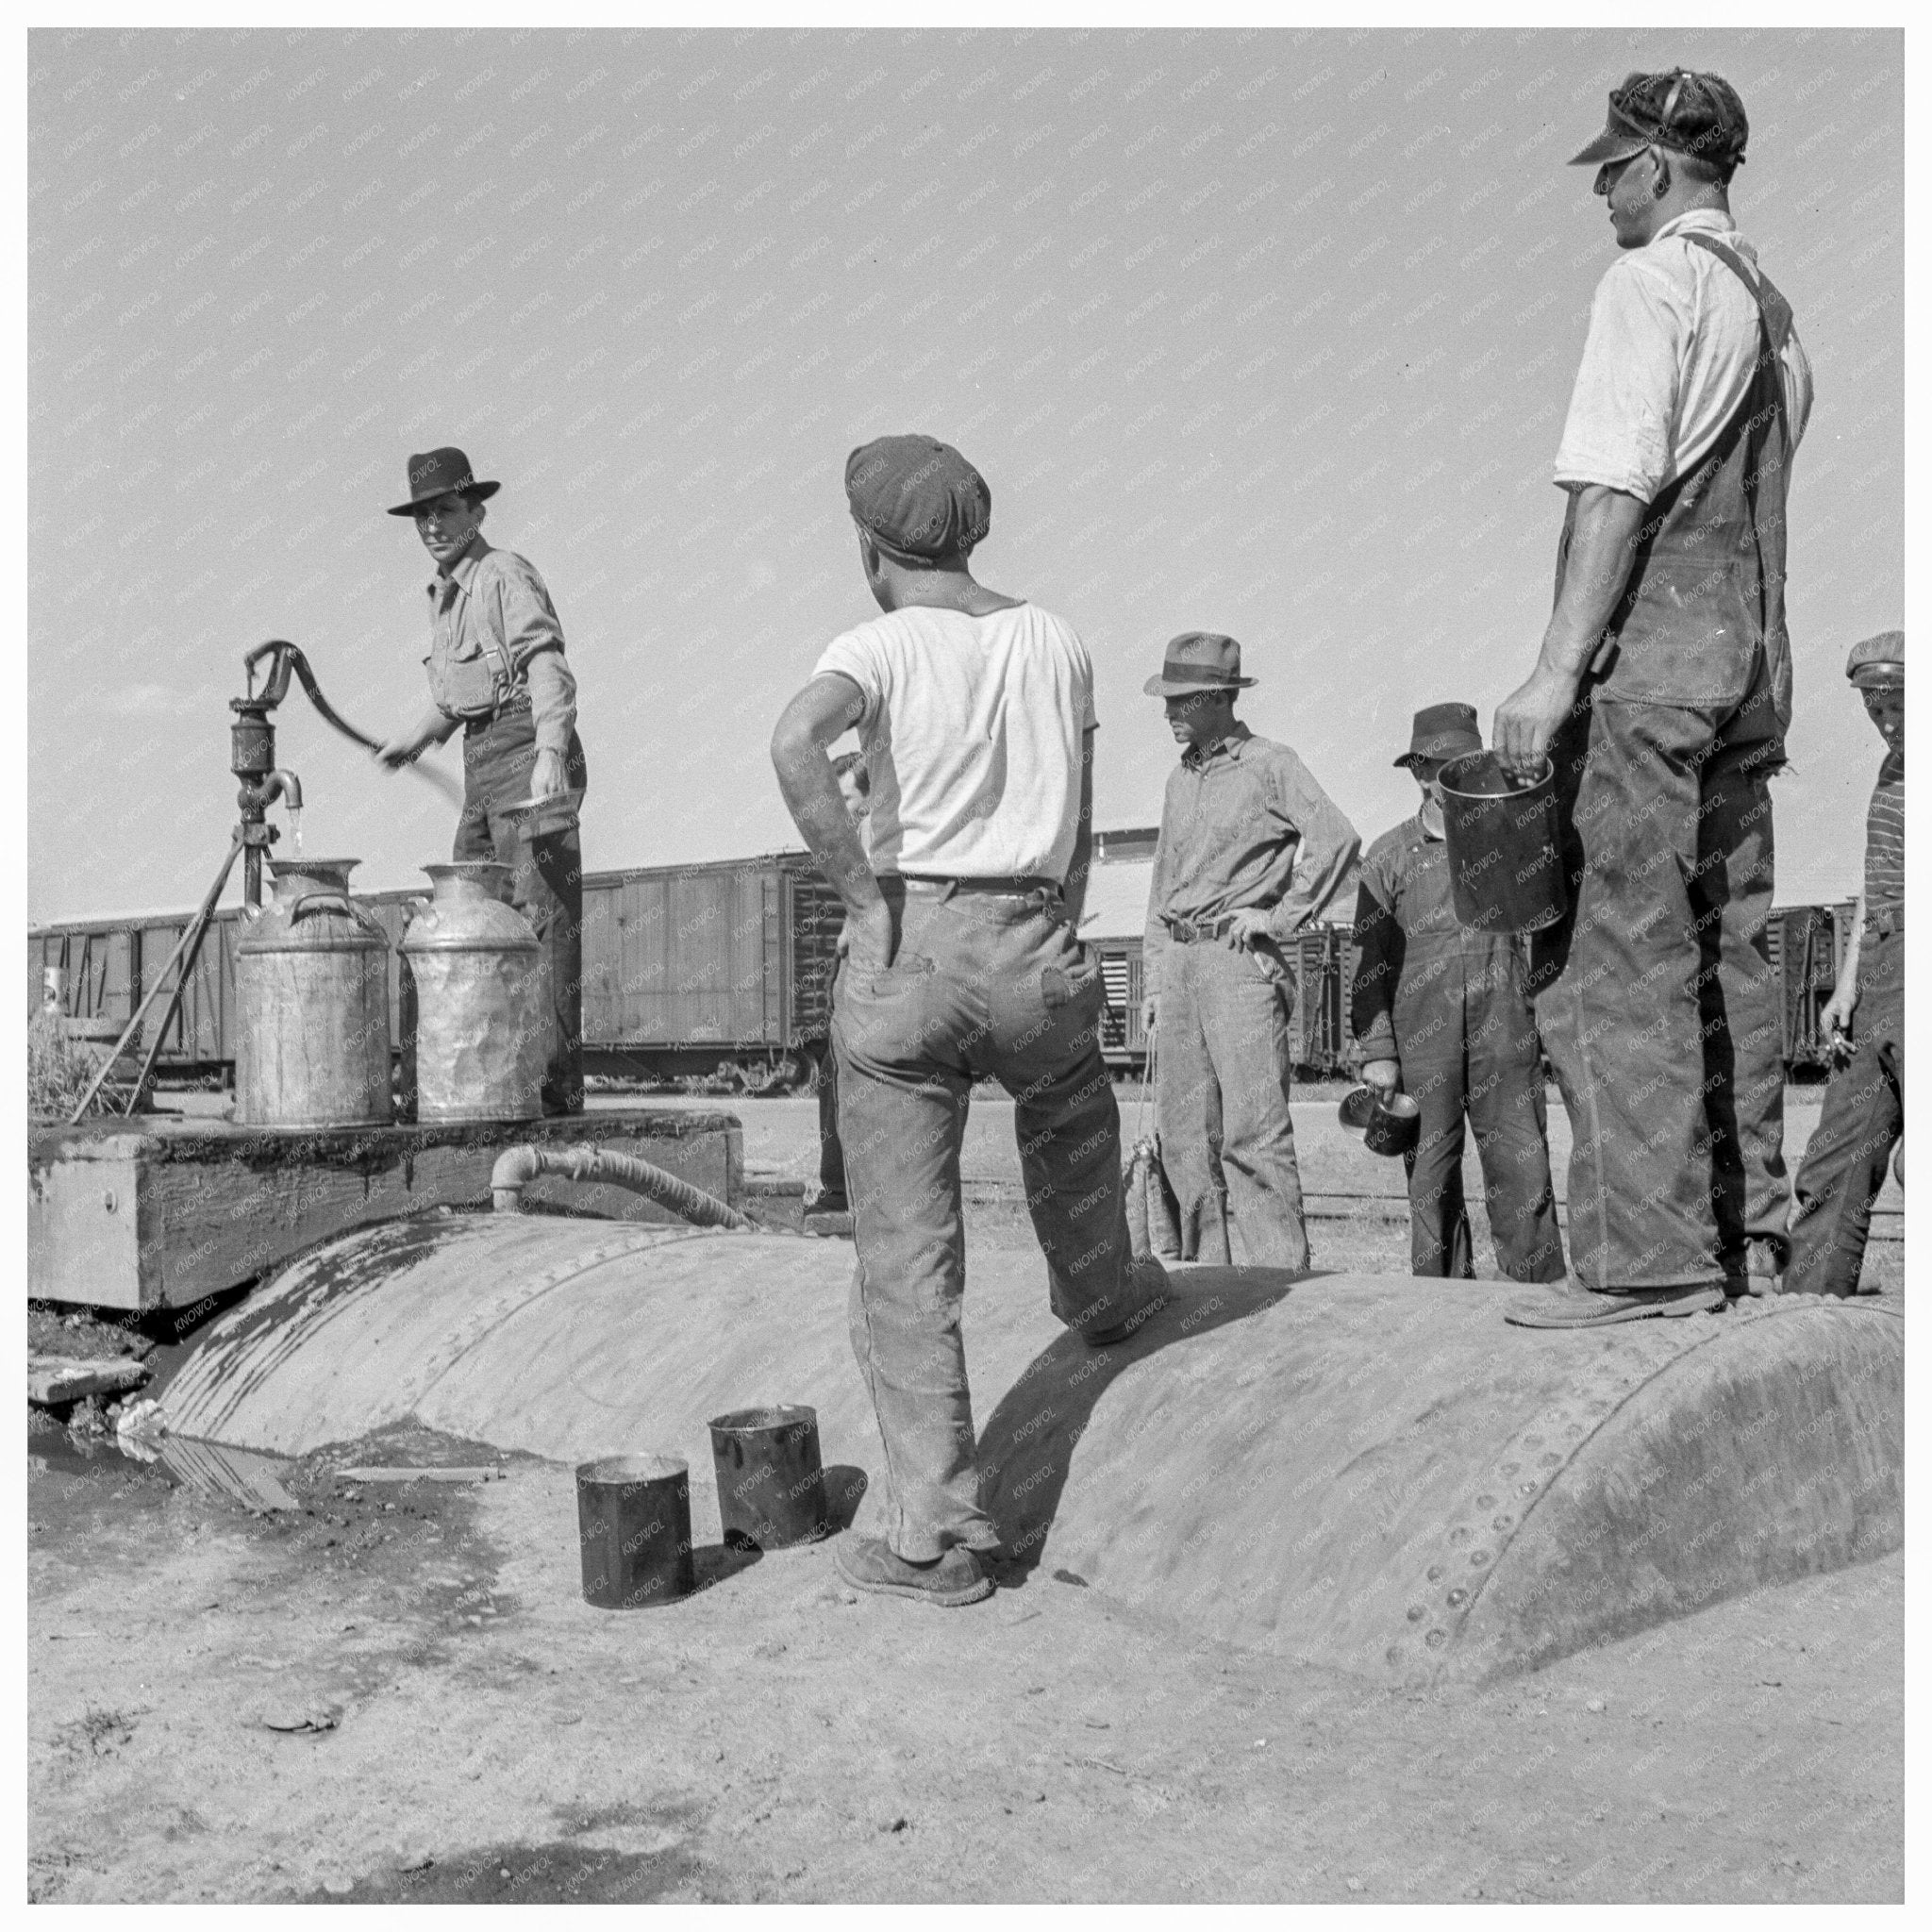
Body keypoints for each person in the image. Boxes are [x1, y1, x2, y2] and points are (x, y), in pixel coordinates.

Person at [769, 434, 1166, 1608]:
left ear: (869, 548)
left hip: (916, 943)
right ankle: (1099, 1294)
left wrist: (858, 897)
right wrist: (1056, 918)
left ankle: (936, 1532)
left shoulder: (876, 643)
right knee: (1068, 1109)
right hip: (1034, 936)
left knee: (906, 1247)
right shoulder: (1056, 639)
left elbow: (796, 740)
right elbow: (1081, 809)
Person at [1492, 69, 1813, 1327]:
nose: (1602, 196)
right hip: (1748, 673)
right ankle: (1743, 1238)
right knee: (1729, 948)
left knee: (1619, 953)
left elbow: (1616, 488)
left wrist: (1556, 668)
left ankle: (1645, 1263)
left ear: (1658, 166)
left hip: (1653, 668)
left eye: (1610, 170)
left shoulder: (1652, 284)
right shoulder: (1777, 314)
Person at [375, 448, 590, 1116]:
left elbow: (546, 664)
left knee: (542, 919)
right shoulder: (444, 596)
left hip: (529, 748)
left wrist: (550, 757)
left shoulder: (502, 574)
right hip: (483, 756)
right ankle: (485, 1073)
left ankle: (555, 1082)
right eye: (422, 516)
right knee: (465, 910)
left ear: (476, 511)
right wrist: (415, 737)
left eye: (445, 510)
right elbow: (459, 697)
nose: (433, 525)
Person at [1140, 634, 1359, 1273]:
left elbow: (1338, 839)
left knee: (1252, 1136)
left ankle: (1277, 1281)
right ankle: (1203, 1280)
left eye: (1180, 700)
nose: (1168, 712)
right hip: (1180, 969)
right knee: (1184, 1137)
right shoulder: (1179, 780)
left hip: (1239, 967)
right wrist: (1154, 981)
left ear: (1219, 697)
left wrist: (1279, 918)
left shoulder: (1271, 764)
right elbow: (1161, 887)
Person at [1351, 705, 1566, 1283]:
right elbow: (1369, 965)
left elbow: (1548, 933)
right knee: (1430, 1184)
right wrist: (1378, 1053)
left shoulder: (1510, 840)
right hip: (1424, 1044)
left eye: (1470, 767)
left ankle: (1539, 1295)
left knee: (1523, 1172)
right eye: (1447, 768)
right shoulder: (1388, 856)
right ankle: (1440, 1311)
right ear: (1421, 773)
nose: (1460, 780)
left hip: (1504, 1034)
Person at [1785, 632, 1905, 1297]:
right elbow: (1873, 891)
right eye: (1875, 710)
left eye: (1898, 707)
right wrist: (1848, 986)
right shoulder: (1891, 774)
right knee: (1839, 1155)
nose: (1886, 723)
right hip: (1882, 971)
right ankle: (1808, 1313)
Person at [803, 751, 870, 1235]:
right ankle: (842, 1189)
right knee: (834, 1077)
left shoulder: (877, 844)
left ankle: (840, 1194)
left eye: (845, 797)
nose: (837, 807)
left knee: (845, 1078)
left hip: (865, 972)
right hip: (849, 971)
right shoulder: (854, 845)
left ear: (867, 801)